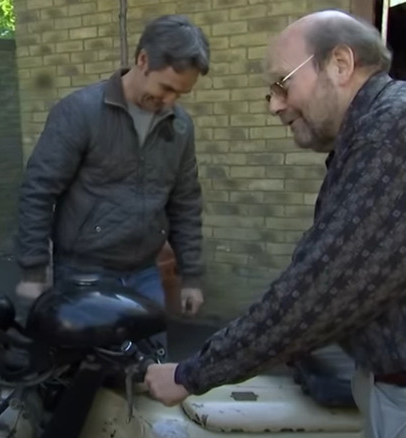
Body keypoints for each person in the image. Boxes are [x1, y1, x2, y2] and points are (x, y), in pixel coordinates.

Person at [144, 10, 406, 438]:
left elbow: (321, 289)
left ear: (340, 65)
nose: (275, 105)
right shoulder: (373, 131)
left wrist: (191, 374)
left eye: (283, 83)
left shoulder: (390, 133)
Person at [15, 14, 210, 354]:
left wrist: (191, 277)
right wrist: (34, 272)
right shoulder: (80, 113)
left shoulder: (180, 127)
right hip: (83, 275)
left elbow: (185, 203)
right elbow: (38, 190)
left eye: (182, 93)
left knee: (151, 372)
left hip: (145, 274)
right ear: (143, 60)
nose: (172, 102)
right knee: (82, 380)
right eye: (166, 88)